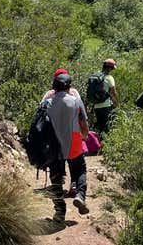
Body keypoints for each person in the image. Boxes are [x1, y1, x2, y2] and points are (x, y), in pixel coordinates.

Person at [46, 73, 90, 223]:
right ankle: (80, 195)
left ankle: (59, 211)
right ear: (69, 87)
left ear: (54, 87)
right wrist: (84, 136)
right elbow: (84, 124)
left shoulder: (47, 102)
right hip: (74, 142)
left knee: (56, 179)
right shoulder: (76, 101)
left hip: (54, 144)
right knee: (79, 169)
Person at [42, 68, 81, 197]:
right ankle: (74, 184)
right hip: (72, 132)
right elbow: (80, 110)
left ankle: (59, 181)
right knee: (73, 159)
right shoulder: (74, 92)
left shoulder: (49, 94)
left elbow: (41, 110)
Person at [93, 59, 118, 133]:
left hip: (96, 107)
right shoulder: (109, 78)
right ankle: (106, 144)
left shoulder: (96, 76)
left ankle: (99, 143)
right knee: (107, 130)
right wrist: (117, 105)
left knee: (100, 129)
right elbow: (114, 93)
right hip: (106, 107)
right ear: (109, 68)